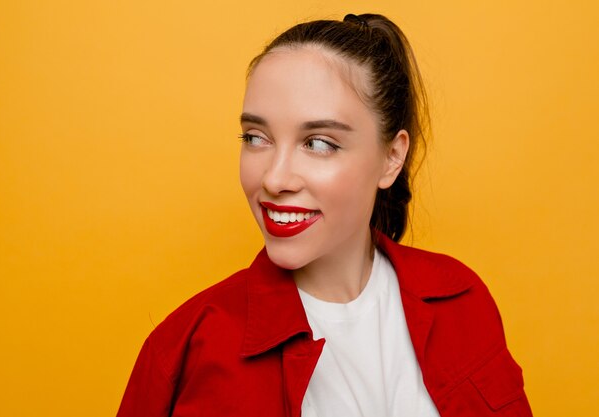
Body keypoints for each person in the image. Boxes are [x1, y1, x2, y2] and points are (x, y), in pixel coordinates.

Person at [117, 13, 533, 417]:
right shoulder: (185, 347)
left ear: (392, 157)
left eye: (318, 143)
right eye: (256, 138)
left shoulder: (462, 301)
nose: (275, 178)